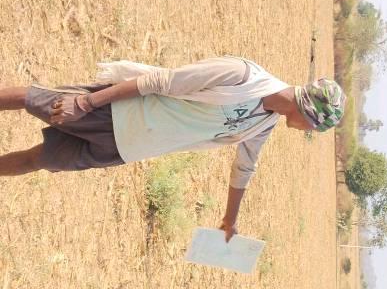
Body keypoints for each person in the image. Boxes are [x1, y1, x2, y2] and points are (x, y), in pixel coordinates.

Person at [0, 55, 345, 239]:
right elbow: (160, 81)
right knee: (34, 100)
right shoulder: (241, 75)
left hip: (128, 147)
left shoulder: (264, 123)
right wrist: (88, 102)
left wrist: (230, 219)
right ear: (308, 112)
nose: (307, 132)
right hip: (119, 112)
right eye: (313, 127)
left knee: (40, 159)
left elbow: (245, 167)